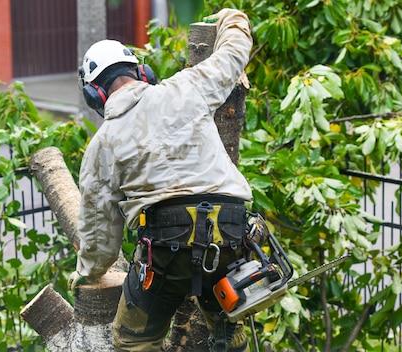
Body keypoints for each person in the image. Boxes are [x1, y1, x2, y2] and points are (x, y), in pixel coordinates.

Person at [69, 8, 254, 352]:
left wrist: (89, 271)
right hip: (232, 237)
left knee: (133, 339)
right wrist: (233, 17)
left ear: (95, 95)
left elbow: (98, 229)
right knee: (229, 331)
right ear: (143, 72)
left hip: (168, 251)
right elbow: (233, 53)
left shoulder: (103, 144)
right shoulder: (187, 88)